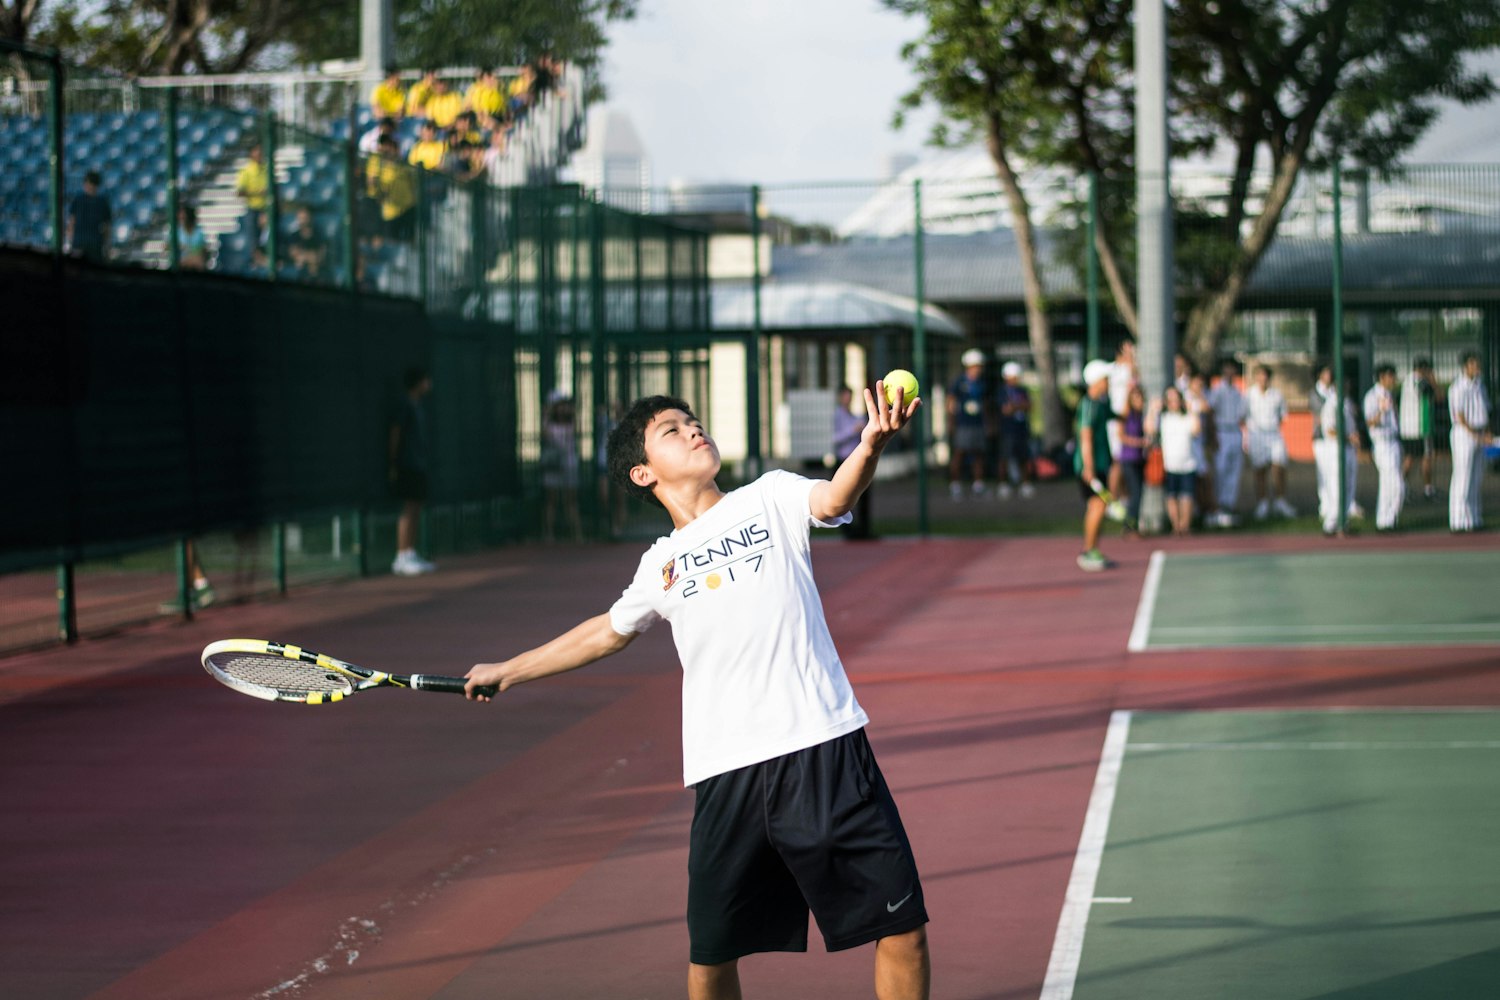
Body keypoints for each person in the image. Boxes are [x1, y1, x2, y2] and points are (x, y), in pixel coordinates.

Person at [462, 389, 931, 1000]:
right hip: (726, 771)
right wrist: (511, 668)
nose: (693, 431)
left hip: (824, 745)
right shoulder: (660, 564)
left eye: (694, 422)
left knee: (902, 929)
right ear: (643, 472)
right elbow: (607, 631)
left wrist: (869, 445)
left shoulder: (770, 496)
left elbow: (835, 495)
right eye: (671, 430)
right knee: (712, 958)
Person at [390, 366, 436, 576]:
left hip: (419, 464)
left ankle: (410, 552)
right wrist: (394, 462)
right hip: (406, 464)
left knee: (416, 507)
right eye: (426, 379)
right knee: (408, 508)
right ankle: (400, 556)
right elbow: (396, 433)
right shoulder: (404, 405)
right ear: (418, 382)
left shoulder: (418, 406)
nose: (429, 383)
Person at [1076, 359, 1116, 571]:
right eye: (1106, 378)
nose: (1108, 381)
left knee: (1099, 506)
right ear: (1097, 381)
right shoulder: (1089, 404)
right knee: (1097, 505)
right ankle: (1087, 551)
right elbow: (1085, 436)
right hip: (1090, 465)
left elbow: (1120, 415)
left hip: (1101, 462)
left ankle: (1093, 548)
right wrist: (1088, 467)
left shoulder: (1101, 403)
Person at [1149, 385, 1202, 537]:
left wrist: (1193, 410)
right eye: (1170, 399)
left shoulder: (1186, 417)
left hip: (1188, 463)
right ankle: (1176, 526)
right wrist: (1153, 410)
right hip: (1169, 464)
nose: (1173, 402)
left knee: (1187, 495)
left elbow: (1197, 430)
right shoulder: (1163, 418)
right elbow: (1149, 429)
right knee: (1171, 495)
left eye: (1176, 399)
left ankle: (1185, 526)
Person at [1245, 365, 1297, 519]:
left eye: (1265, 375)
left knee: (1279, 466)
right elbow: (1242, 416)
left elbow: (1282, 415)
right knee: (1259, 470)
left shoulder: (1276, 395)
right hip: (1256, 436)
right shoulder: (1248, 395)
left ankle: (1281, 501)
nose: (1262, 379)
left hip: (1274, 434)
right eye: (1259, 375)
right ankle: (1263, 503)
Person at [1448, 351, 1492, 532]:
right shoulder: (1458, 387)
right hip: (1464, 434)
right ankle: (1458, 520)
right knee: (1462, 476)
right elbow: (1460, 417)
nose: (1477, 367)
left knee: (1476, 477)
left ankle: (1474, 519)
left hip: (1479, 434)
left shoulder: (1479, 385)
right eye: (1473, 364)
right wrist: (1477, 434)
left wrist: (1486, 433)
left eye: (1477, 364)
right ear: (1465, 366)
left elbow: (1485, 409)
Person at [1315, 376, 1361, 536]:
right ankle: (1331, 524)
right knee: (1337, 487)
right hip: (1336, 449)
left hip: (1349, 449)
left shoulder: (1346, 403)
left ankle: (1344, 522)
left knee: (1349, 486)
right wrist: (1349, 437)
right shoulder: (1330, 405)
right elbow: (1329, 430)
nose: (1346, 387)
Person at [1206, 358, 1248, 526]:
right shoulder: (1217, 391)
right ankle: (1219, 504)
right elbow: (1210, 412)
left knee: (1234, 470)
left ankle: (1229, 504)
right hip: (1221, 431)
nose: (1230, 372)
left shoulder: (1238, 392)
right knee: (1221, 469)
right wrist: (1213, 436)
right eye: (1227, 369)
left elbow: (1242, 416)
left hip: (1235, 431)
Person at [1364, 363, 1404, 531]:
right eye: (1390, 376)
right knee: (1397, 485)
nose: (1393, 379)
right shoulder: (1372, 396)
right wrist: (1381, 410)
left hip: (1393, 442)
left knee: (1389, 484)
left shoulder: (1389, 394)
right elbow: (1369, 422)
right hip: (1382, 444)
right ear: (1382, 377)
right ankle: (1386, 518)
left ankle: (1387, 521)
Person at [947, 348, 991, 498]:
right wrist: (951, 421)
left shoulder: (982, 383)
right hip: (963, 423)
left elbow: (985, 404)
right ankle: (955, 484)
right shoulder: (959, 382)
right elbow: (951, 401)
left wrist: (987, 423)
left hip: (977, 423)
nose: (978, 369)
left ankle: (978, 484)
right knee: (959, 453)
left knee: (978, 453)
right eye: (975, 365)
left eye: (980, 366)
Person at [541, 391, 582, 542]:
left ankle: (576, 533)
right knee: (551, 501)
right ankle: (549, 534)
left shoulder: (571, 424)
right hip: (554, 466)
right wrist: (546, 414)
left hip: (569, 465)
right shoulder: (549, 425)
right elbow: (544, 434)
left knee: (570, 500)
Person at [833, 385, 874, 538]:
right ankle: (847, 531)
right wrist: (853, 430)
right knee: (844, 498)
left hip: (856, 461)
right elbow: (835, 439)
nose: (848, 399)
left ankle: (863, 530)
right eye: (845, 395)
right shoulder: (837, 415)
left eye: (849, 395)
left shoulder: (853, 416)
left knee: (863, 495)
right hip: (843, 461)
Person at [1399, 357, 1439, 500]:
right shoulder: (1420, 381)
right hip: (1421, 427)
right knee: (1427, 457)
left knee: (1410, 458)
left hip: (1407, 427)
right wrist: (1433, 380)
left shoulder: (1407, 380)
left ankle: (1401, 486)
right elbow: (1438, 396)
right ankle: (1428, 488)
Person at [997, 361, 1036, 499]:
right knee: (1005, 457)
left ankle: (1025, 483)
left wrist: (1016, 406)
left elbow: (1029, 405)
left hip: (1021, 429)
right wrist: (1020, 406)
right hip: (1008, 430)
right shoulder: (1002, 391)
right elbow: (1005, 410)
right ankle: (1003, 484)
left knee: (1024, 458)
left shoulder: (1022, 390)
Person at [1106, 338, 1138, 507]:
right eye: (1128, 350)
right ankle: (1112, 500)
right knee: (1118, 461)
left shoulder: (1126, 369)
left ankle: (1124, 497)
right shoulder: (1116, 370)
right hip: (1118, 420)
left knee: (1127, 461)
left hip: (1127, 420)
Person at [1117, 384, 1151, 537]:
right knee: (1135, 494)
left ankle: (1132, 524)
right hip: (1128, 459)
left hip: (1140, 459)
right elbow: (1121, 436)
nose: (1139, 400)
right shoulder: (1126, 415)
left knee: (1139, 494)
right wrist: (1139, 442)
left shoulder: (1142, 415)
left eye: (1140, 397)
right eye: (1135, 397)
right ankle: (1129, 526)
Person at [66, 170, 112, 263]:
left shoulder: (102, 202)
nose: (88, 186)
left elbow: (107, 227)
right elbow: (71, 222)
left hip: (93, 244)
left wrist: (106, 246)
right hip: (80, 243)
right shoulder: (78, 200)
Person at [235, 145, 270, 246]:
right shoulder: (246, 171)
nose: (259, 153)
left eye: (260, 151)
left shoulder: (266, 169)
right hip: (253, 209)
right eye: (256, 151)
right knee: (253, 238)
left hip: (266, 209)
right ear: (251, 153)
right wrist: (257, 193)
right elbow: (239, 192)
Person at [285, 206, 328, 280]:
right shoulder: (294, 236)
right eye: (300, 218)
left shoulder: (319, 236)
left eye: (305, 218)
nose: (303, 221)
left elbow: (320, 257)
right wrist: (309, 256)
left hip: (316, 272)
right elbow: (292, 253)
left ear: (311, 218)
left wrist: (303, 256)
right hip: (297, 271)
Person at [175, 204, 207, 270]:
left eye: (183, 218)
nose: (181, 220)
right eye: (180, 218)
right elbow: (166, 246)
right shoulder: (177, 232)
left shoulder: (198, 232)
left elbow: (200, 251)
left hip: (194, 263)